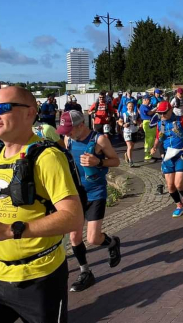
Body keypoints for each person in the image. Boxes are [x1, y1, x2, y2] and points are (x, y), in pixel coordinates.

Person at [0, 86, 83, 322]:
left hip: (39, 278)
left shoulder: (47, 157)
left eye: (2, 108)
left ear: (30, 113)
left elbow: (73, 217)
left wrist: (9, 231)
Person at [59, 110, 122, 293]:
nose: (66, 133)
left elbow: (116, 161)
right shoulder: (68, 140)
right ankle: (85, 272)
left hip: (96, 192)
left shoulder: (99, 139)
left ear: (81, 125)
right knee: (74, 237)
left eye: (69, 129)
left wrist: (98, 162)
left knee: (93, 238)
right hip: (76, 193)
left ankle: (112, 243)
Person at [150, 101, 183, 217]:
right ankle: (178, 205)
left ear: (170, 110)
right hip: (168, 155)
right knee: (170, 185)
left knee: (179, 183)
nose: (162, 115)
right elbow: (158, 137)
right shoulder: (160, 123)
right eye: (160, 113)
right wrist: (154, 147)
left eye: (164, 112)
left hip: (180, 153)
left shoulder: (180, 120)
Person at [118, 101, 140, 166]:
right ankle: (130, 161)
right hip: (127, 132)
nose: (131, 107)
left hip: (134, 131)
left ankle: (127, 154)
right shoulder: (124, 114)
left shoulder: (136, 114)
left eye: (132, 106)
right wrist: (123, 125)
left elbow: (139, 121)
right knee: (129, 146)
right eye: (130, 106)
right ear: (127, 107)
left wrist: (137, 122)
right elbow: (119, 121)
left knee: (132, 146)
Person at [139, 94, 157, 161]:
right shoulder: (143, 107)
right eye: (149, 100)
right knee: (149, 140)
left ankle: (150, 155)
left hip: (150, 122)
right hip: (147, 123)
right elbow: (149, 113)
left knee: (151, 139)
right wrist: (156, 108)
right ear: (145, 100)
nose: (149, 101)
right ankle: (147, 156)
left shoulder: (146, 106)